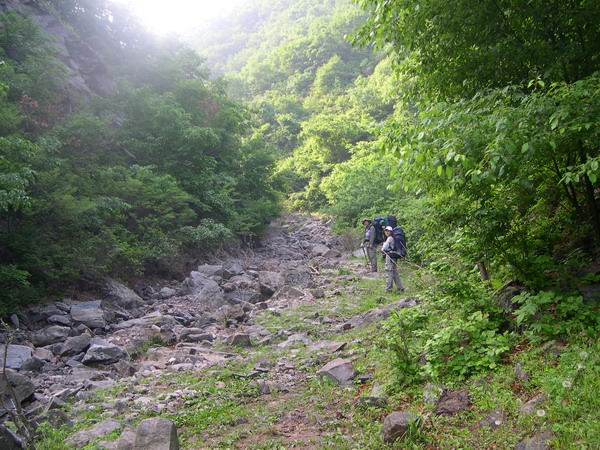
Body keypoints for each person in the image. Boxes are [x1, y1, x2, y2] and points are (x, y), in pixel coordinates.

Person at [381, 226, 405, 292]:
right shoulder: (393, 238)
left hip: (389, 256)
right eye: (386, 231)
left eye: (388, 231)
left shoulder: (389, 238)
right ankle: (400, 287)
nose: (386, 232)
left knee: (389, 272)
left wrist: (382, 248)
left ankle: (388, 289)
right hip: (394, 257)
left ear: (391, 232)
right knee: (394, 272)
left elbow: (384, 248)